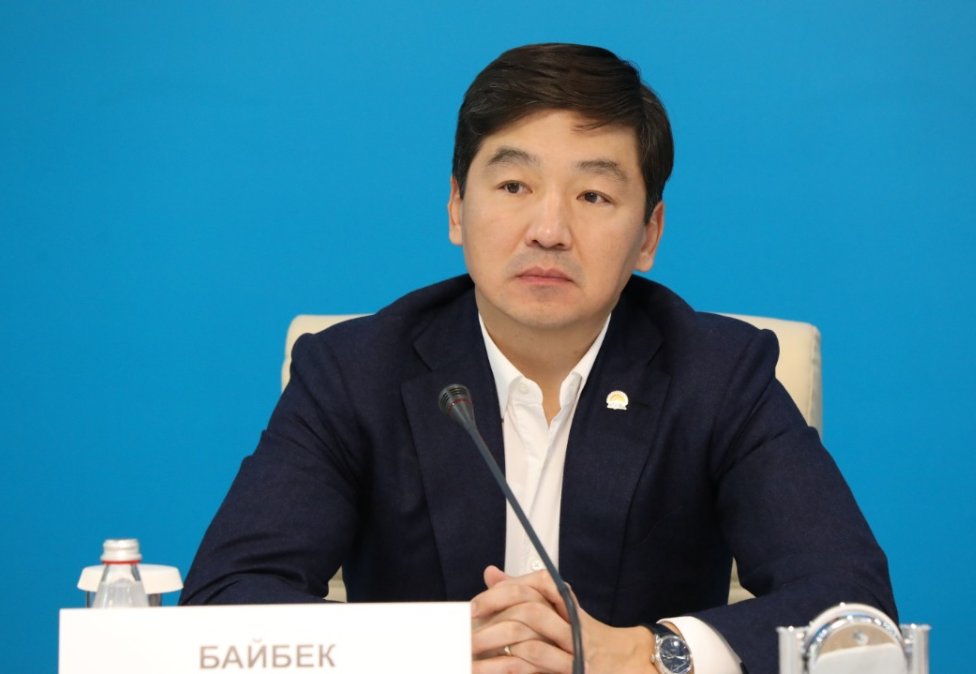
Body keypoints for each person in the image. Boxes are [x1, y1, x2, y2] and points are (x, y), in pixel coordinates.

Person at [181, 43, 896, 674]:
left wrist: (649, 654)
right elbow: (223, 599)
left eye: (593, 195)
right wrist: (426, 650)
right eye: (514, 187)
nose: (549, 230)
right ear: (456, 207)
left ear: (649, 235)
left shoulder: (718, 372)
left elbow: (853, 608)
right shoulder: (354, 371)